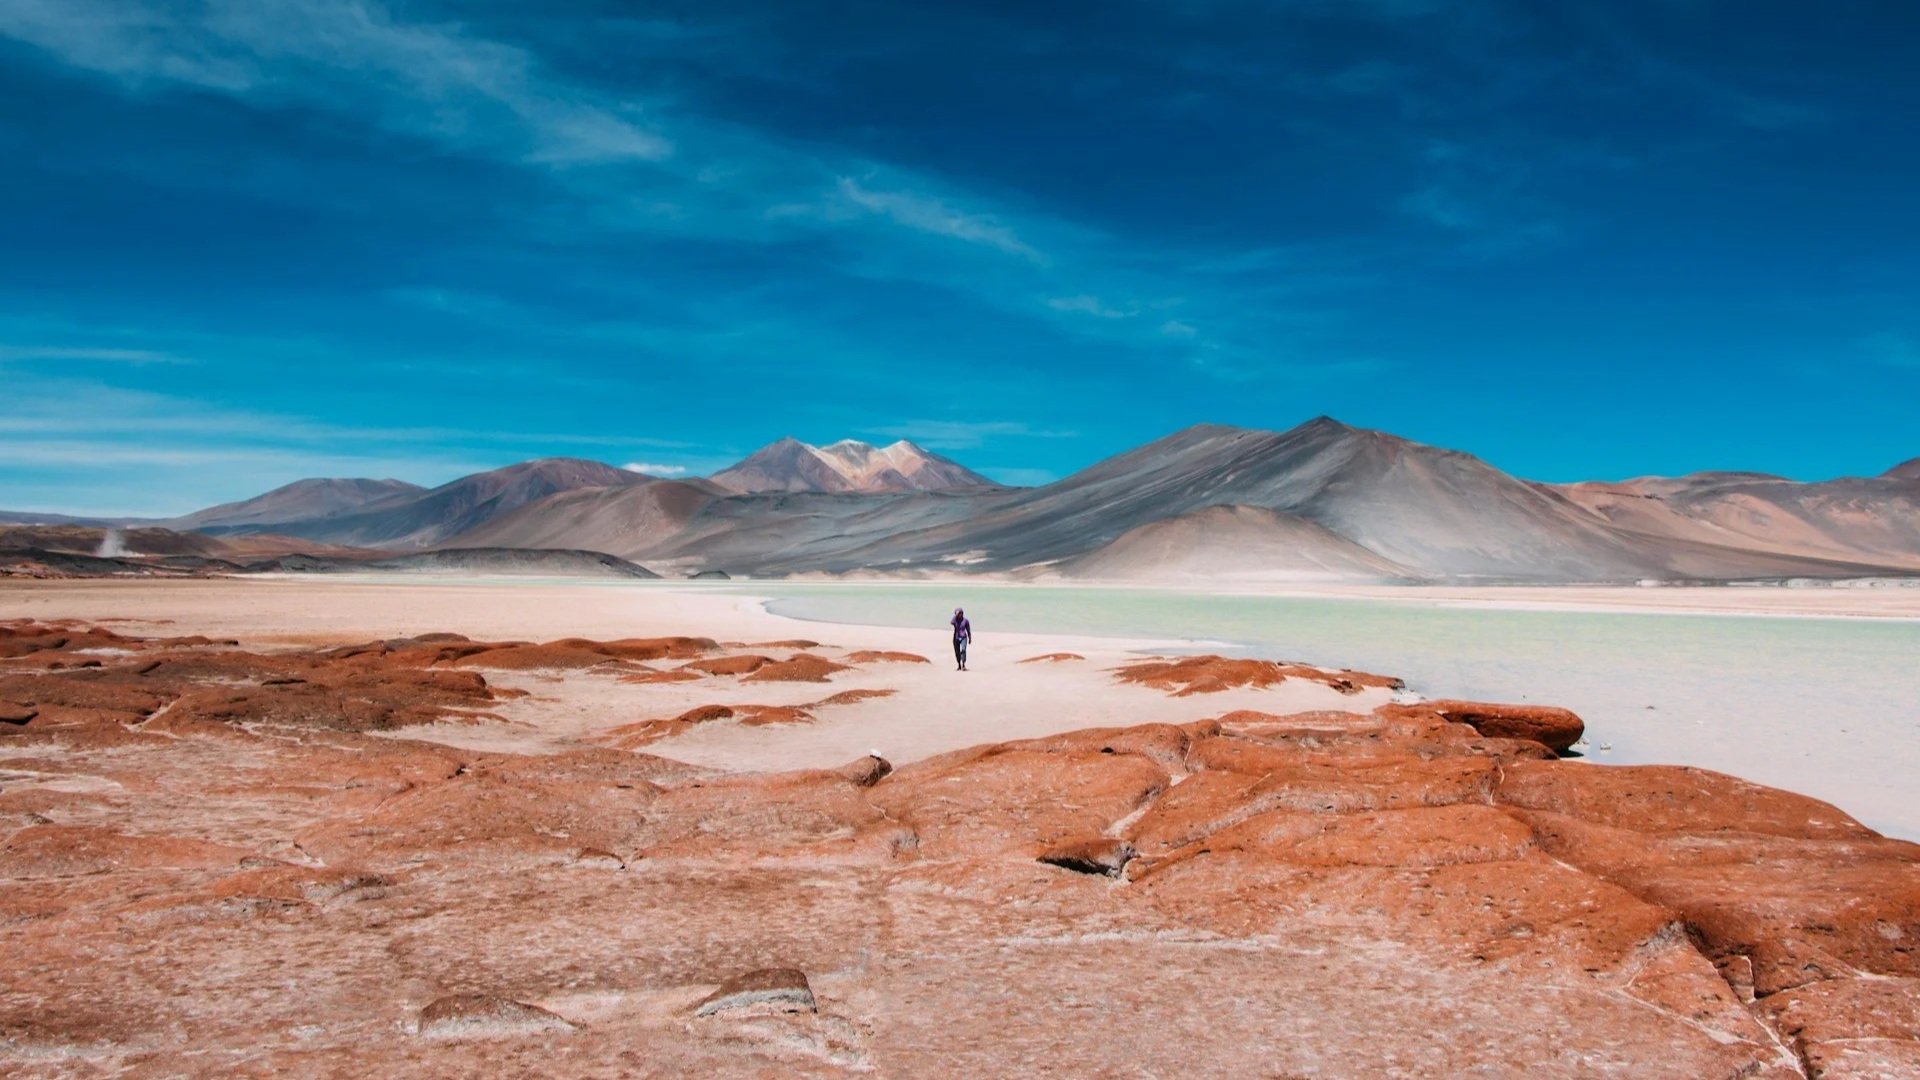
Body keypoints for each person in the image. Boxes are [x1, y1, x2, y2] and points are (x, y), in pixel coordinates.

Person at [950, 607, 971, 671]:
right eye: (959, 613)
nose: (960, 614)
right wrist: (956, 615)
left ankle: (963, 664)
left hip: (963, 637)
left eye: (961, 613)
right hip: (956, 638)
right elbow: (951, 622)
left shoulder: (966, 621)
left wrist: (970, 638)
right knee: (957, 652)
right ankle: (959, 665)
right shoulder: (955, 620)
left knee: (963, 650)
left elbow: (968, 630)